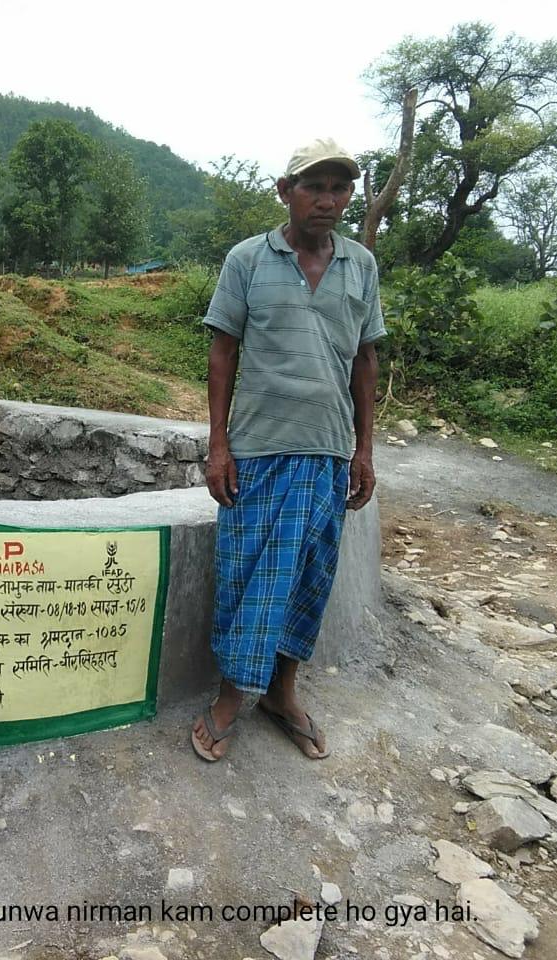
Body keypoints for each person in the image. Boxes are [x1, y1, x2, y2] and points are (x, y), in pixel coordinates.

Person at [189, 138, 384, 762]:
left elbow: (365, 360)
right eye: (313, 187)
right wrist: (218, 446)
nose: (327, 200)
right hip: (259, 448)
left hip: (327, 451)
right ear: (285, 192)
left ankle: (281, 693)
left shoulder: (360, 265)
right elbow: (223, 352)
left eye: (339, 188)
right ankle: (230, 696)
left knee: (308, 577)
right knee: (245, 574)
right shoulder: (248, 259)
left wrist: (364, 450)